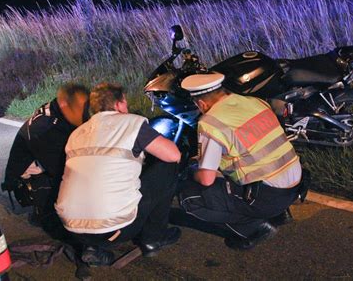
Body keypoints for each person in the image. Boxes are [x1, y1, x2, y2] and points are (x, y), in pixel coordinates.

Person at [55, 83, 182, 266]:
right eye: (125, 102)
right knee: (167, 167)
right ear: (119, 103)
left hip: (72, 229)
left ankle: (91, 248)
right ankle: (153, 239)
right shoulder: (131, 122)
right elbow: (173, 155)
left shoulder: (77, 133)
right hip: (116, 230)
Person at [179, 73, 309, 251]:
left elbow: (207, 179)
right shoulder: (254, 101)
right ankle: (280, 213)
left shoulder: (210, 122)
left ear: (201, 104)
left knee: (189, 197)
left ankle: (254, 227)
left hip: (268, 197)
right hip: (296, 184)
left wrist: (192, 169)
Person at [2, 83, 90, 235]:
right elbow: (61, 169)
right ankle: (43, 212)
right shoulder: (44, 127)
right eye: (80, 107)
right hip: (29, 178)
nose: (84, 112)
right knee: (71, 180)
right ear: (64, 104)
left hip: (44, 160)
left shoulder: (59, 110)